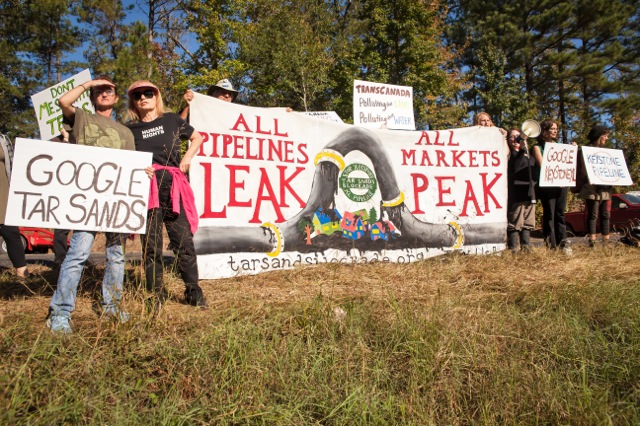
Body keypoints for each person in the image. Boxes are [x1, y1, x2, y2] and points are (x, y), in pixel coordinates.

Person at [47, 76, 136, 334]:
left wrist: (144, 174)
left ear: (117, 98)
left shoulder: (125, 132)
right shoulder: (82, 118)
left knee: (116, 257)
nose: (104, 93)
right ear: (92, 96)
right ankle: (61, 313)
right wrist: (89, 83)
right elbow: (63, 101)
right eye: (99, 90)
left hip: (115, 202)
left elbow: (130, 166)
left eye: (109, 90)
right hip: (87, 200)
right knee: (78, 254)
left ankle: (113, 307)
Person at [125, 80, 208, 309]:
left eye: (148, 93)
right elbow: (123, 160)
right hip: (147, 190)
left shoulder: (171, 119)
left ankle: (193, 292)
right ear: (133, 102)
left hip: (173, 187)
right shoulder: (129, 130)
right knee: (151, 247)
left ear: (156, 96)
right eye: (137, 95)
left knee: (184, 242)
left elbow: (198, 137)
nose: (143, 97)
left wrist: (187, 158)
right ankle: (155, 296)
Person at [532, 119, 572, 253]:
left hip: (562, 185)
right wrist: (556, 179)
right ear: (545, 131)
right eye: (552, 129)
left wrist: (572, 148)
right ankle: (551, 245)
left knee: (560, 214)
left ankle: (563, 243)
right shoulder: (537, 147)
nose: (555, 131)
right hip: (547, 186)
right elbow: (543, 166)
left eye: (556, 129)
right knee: (549, 214)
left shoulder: (561, 146)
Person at [577, 125, 612, 247]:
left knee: (605, 214)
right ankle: (592, 242)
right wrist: (590, 178)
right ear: (599, 136)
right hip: (591, 188)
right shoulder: (586, 150)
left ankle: (606, 242)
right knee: (593, 214)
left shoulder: (605, 152)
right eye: (605, 135)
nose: (607, 138)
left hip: (605, 188)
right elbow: (583, 170)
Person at [0, 133, 29, 279]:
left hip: (3, 193)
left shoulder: (3, 138)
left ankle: (22, 273)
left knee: (11, 233)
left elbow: (12, 164)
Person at [506, 128, 536, 253]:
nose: (516, 139)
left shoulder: (528, 154)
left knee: (528, 222)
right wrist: (521, 149)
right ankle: (514, 248)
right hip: (517, 193)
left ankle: (526, 246)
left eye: (518, 136)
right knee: (515, 221)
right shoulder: (509, 155)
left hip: (530, 193)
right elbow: (516, 167)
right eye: (512, 137)